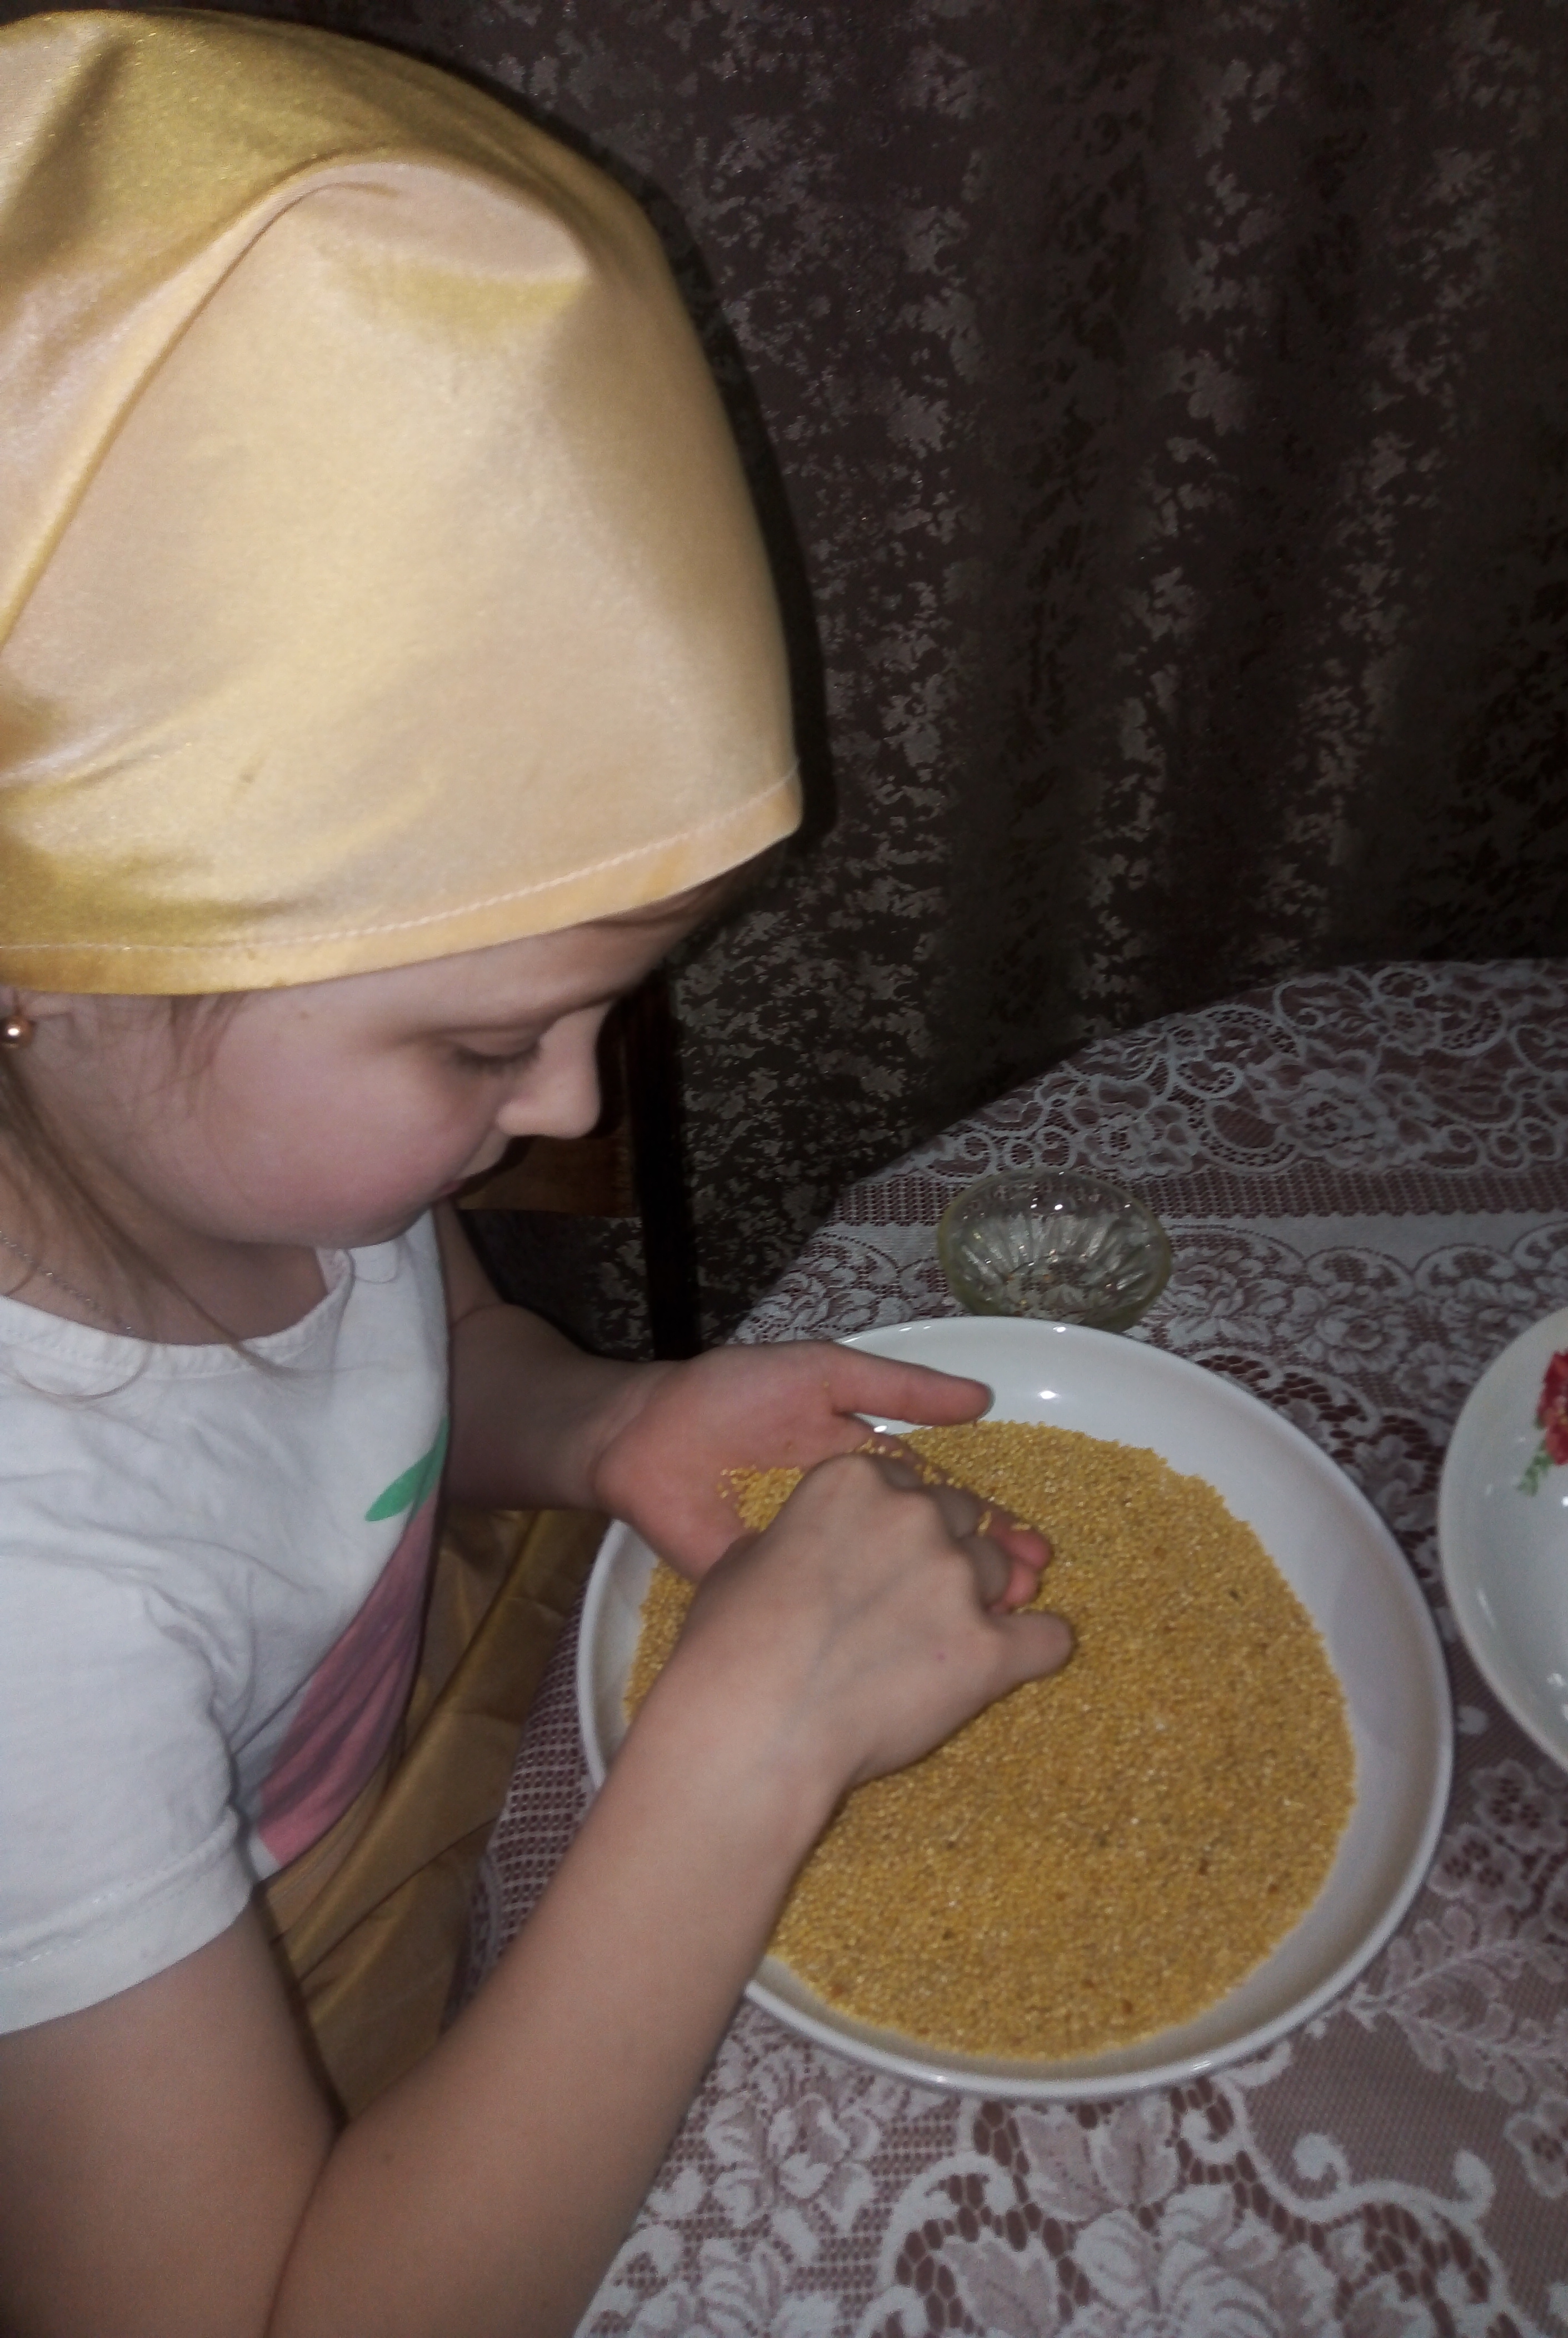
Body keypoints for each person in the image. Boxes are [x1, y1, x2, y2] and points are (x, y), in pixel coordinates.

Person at [0, 13, 1073, 2336]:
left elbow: (412, 1376)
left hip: (401, 1725)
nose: (577, 1107)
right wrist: (744, 1756)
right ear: (51, 973)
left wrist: (600, 1425)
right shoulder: (29, 1637)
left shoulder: (246, 1160)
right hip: (255, 2016)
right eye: (488, 1042)